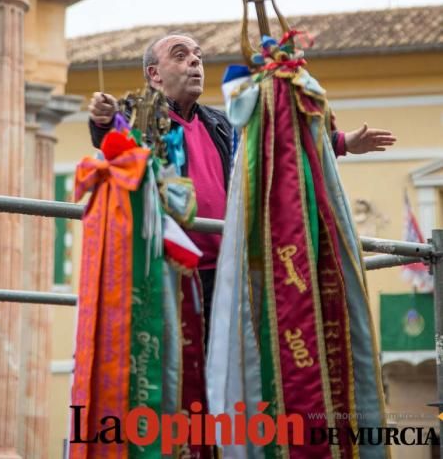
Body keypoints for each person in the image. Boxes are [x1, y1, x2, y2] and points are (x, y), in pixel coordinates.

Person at [88, 32, 396, 324]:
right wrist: (102, 118)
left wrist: (342, 142)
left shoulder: (221, 122)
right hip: (169, 270)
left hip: (225, 273)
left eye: (198, 56)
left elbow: (275, 144)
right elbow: (112, 136)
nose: (195, 62)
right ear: (154, 74)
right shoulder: (138, 116)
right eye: (180, 56)